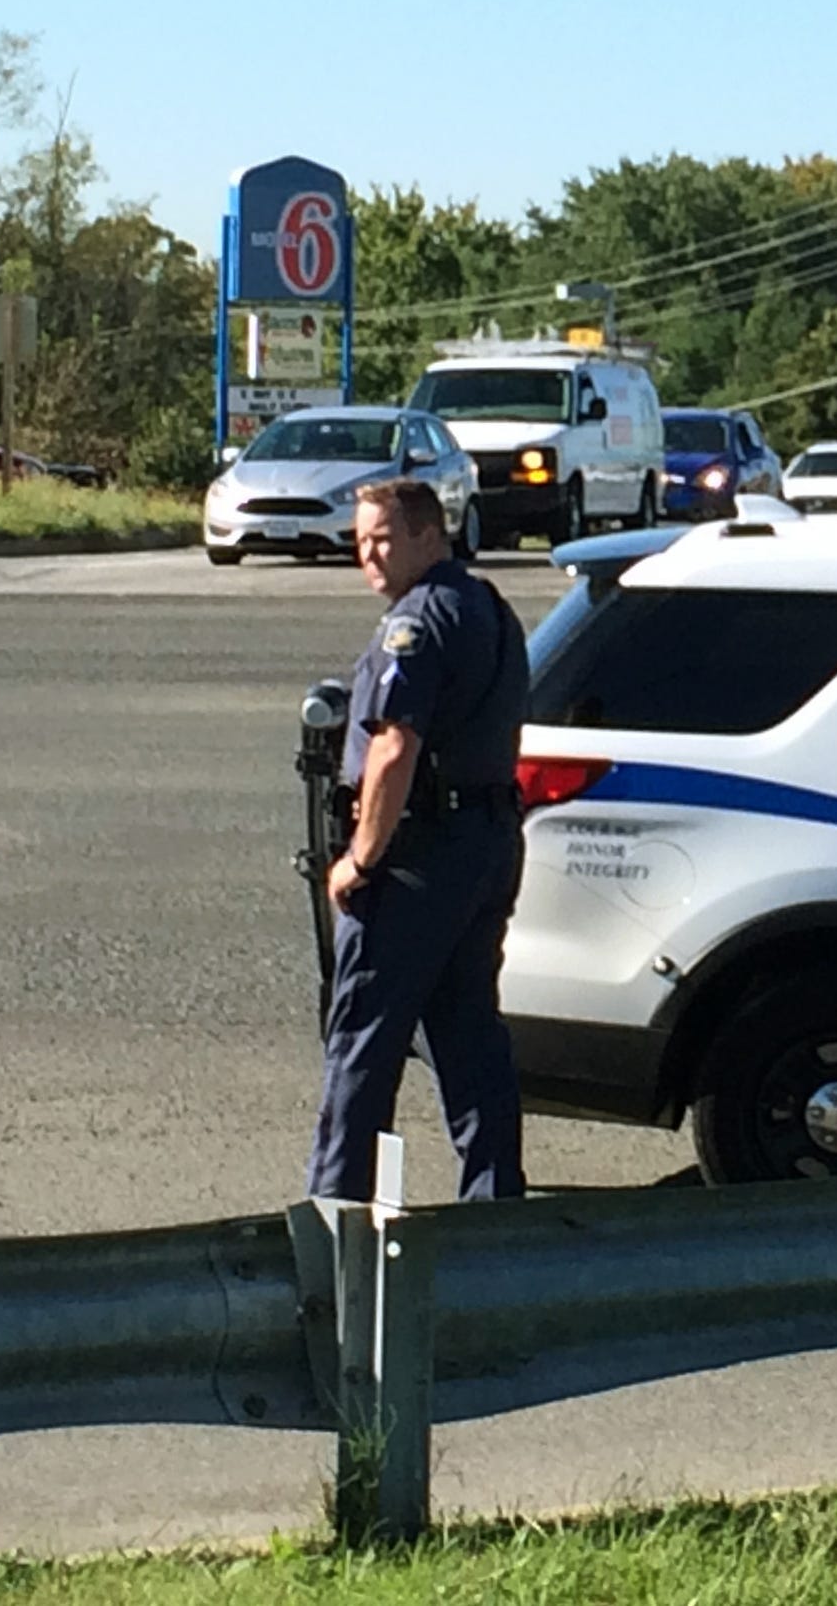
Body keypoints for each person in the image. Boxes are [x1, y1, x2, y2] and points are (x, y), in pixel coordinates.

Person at [307, 476, 530, 1203]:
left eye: (382, 539)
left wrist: (361, 858)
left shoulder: (418, 620)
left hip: (419, 857)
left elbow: (394, 746)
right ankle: (495, 1210)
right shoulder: (487, 607)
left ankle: (336, 1212)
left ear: (429, 534)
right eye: (359, 541)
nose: (368, 555)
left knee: (362, 1040)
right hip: (485, 841)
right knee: (469, 1034)